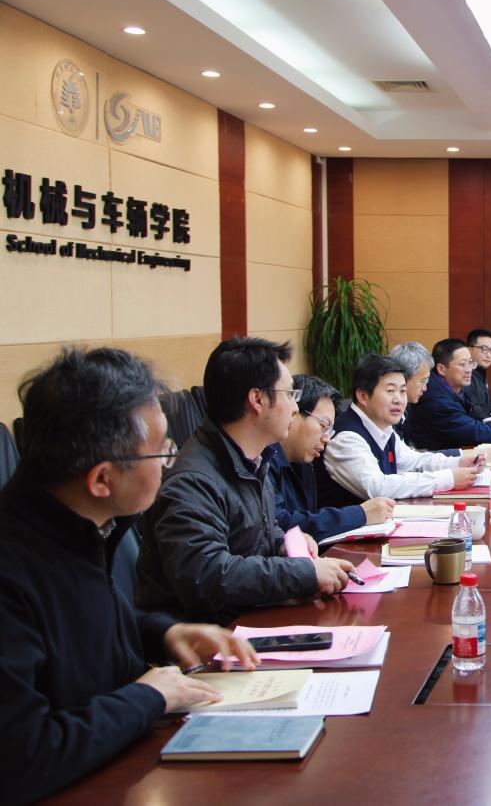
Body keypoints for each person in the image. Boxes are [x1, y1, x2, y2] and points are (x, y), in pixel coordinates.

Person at [0, 348, 260, 804]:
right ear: (102, 479)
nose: (171, 460)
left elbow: (82, 630)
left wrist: (165, 633)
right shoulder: (14, 568)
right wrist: (150, 698)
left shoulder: (89, 523)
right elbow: (20, 758)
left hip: (120, 764)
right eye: (162, 450)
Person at [137, 338, 354, 624]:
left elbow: (259, 534)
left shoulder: (254, 459)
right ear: (257, 400)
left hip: (251, 617)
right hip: (210, 637)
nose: (294, 407)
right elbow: (207, 575)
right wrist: (304, 574)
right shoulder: (192, 481)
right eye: (290, 394)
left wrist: (285, 543)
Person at [316, 354, 485, 507]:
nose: (399, 399)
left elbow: (412, 461)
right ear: (362, 396)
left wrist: (457, 462)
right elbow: (378, 488)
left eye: (402, 391)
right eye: (390, 391)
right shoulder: (346, 438)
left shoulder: (382, 427)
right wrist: (448, 479)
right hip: (352, 531)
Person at [265, 374, 395, 543]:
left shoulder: (305, 462)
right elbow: (280, 524)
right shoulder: (264, 460)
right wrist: (360, 514)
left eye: (330, 431)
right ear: (294, 413)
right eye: (323, 426)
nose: (327, 439)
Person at [406, 338, 491, 450]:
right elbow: (475, 432)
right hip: (436, 459)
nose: (469, 370)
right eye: (462, 364)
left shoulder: (459, 387)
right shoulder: (436, 400)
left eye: (471, 363)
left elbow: (478, 421)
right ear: (441, 369)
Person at [464, 328, 491, 421]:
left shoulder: (480, 374)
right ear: (469, 349)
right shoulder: (466, 375)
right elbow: (478, 415)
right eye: (484, 349)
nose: (489, 355)